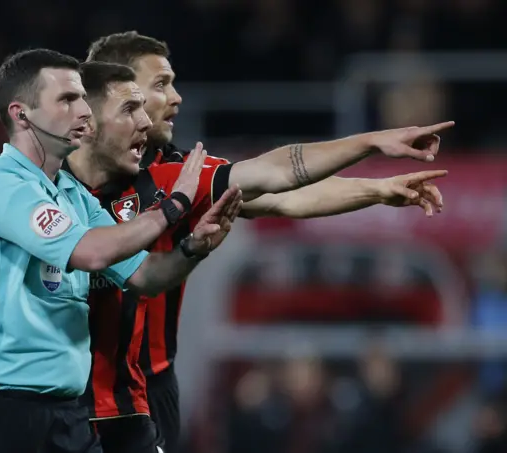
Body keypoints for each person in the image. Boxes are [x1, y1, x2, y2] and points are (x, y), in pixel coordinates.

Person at [84, 31, 452, 453]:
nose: (177, 97)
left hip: (147, 388)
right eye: (160, 84)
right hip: (64, 387)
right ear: (118, 94)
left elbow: (279, 189)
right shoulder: (53, 183)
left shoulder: (180, 176)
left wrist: (377, 189)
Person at [0, 49, 242, 453]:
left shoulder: (74, 197)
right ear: (21, 113)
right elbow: (91, 252)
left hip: (68, 418)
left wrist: (192, 249)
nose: (84, 110)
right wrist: (174, 207)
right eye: (66, 100)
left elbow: (143, 276)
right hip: (3, 415)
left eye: (82, 97)